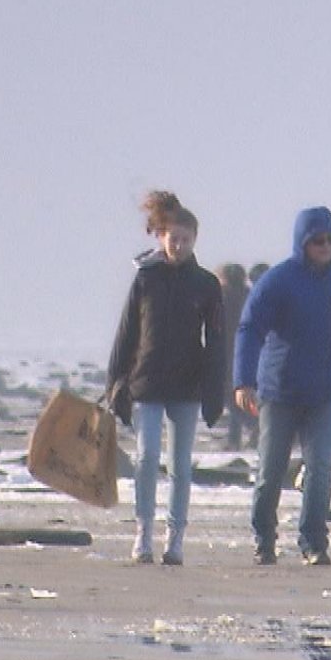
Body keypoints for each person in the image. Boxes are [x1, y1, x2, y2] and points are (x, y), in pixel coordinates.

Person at [234, 207, 331, 567]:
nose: (325, 246)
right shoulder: (278, 281)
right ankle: (264, 538)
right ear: (303, 242)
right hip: (281, 391)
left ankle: (313, 542)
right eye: (317, 240)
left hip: (326, 393)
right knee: (270, 472)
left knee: (321, 467)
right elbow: (249, 329)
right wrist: (243, 380)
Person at [106, 191, 225, 566]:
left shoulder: (206, 285)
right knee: (146, 457)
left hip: (186, 386)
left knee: (180, 464)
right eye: (173, 238)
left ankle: (176, 538)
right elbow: (127, 333)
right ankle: (143, 533)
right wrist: (115, 381)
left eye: (186, 239)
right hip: (147, 383)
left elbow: (217, 341)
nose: (179, 244)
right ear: (161, 237)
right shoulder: (146, 279)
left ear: (194, 241)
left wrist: (214, 390)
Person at [218, 263, 252, 451]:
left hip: (226, 353)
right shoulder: (249, 296)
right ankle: (234, 438)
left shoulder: (223, 297)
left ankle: (253, 428)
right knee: (238, 395)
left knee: (229, 398)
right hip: (246, 352)